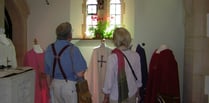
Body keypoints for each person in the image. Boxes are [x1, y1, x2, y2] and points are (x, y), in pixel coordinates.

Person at [44, 22, 87, 103]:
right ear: (69, 35)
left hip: (54, 85)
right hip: (69, 86)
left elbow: (47, 74)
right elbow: (80, 73)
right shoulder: (73, 49)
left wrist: (50, 87)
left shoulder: (49, 48)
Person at [102, 27, 142, 103]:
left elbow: (109, 80)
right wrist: (138, 92)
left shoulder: (112, 57)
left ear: (115, 40)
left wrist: (106, 96)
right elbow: (138, 76)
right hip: (132, 94)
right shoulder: (136, 55)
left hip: (116, 97)